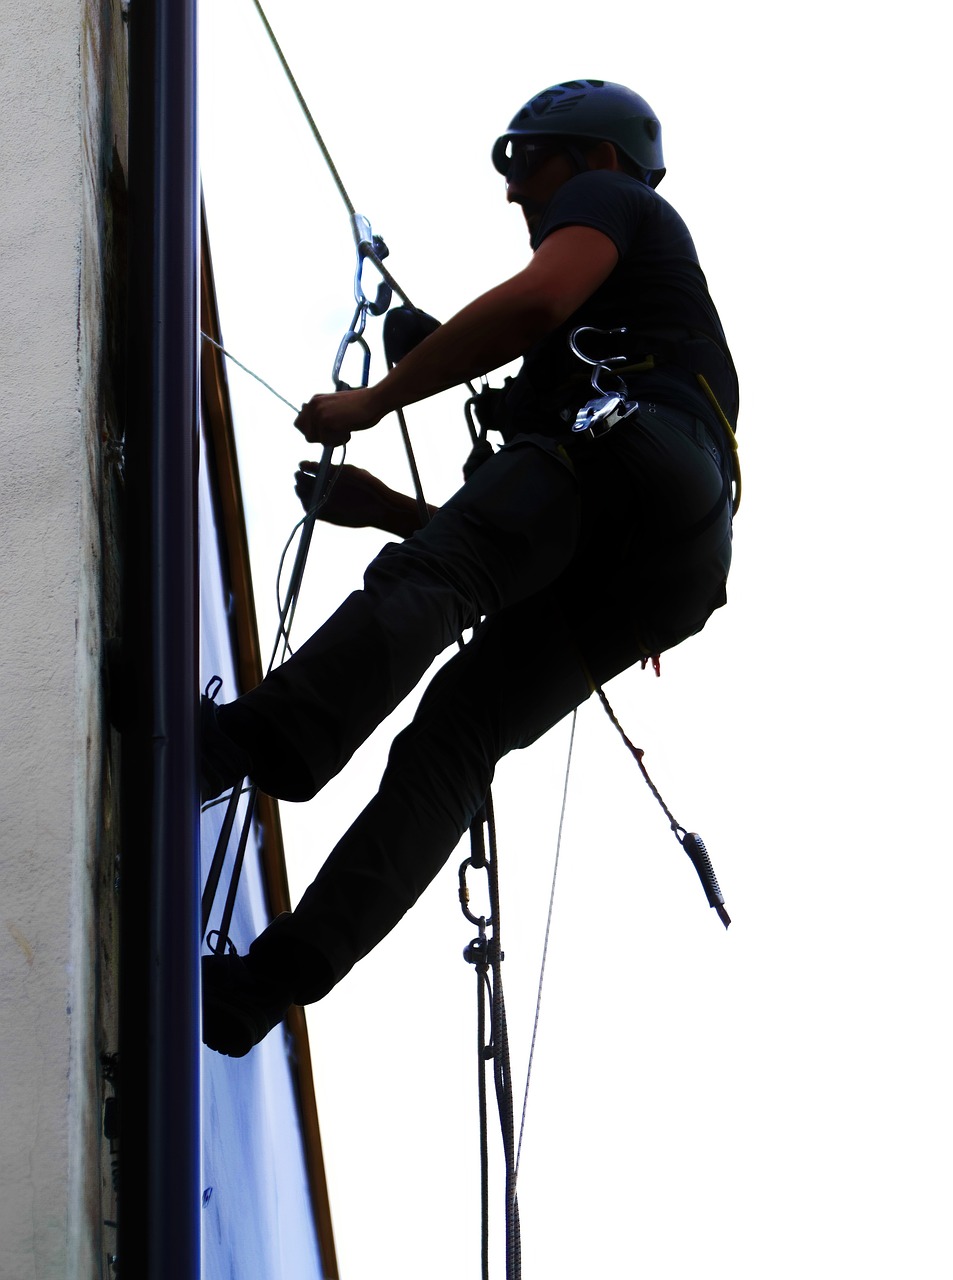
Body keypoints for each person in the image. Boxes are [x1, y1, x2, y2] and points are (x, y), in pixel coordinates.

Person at [201, 79, 739, 1057]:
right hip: (669, 559)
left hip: (624, 451)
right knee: (457, 734)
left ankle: (251, 742)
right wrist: (386, 512)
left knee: (436, 580)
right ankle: (260, 988)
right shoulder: (602, 357)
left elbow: (532, 303)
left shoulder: (619, 204)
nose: (513, 195)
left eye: (522, 161)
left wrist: (374, 400)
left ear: (594, 158)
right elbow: (515, 536)